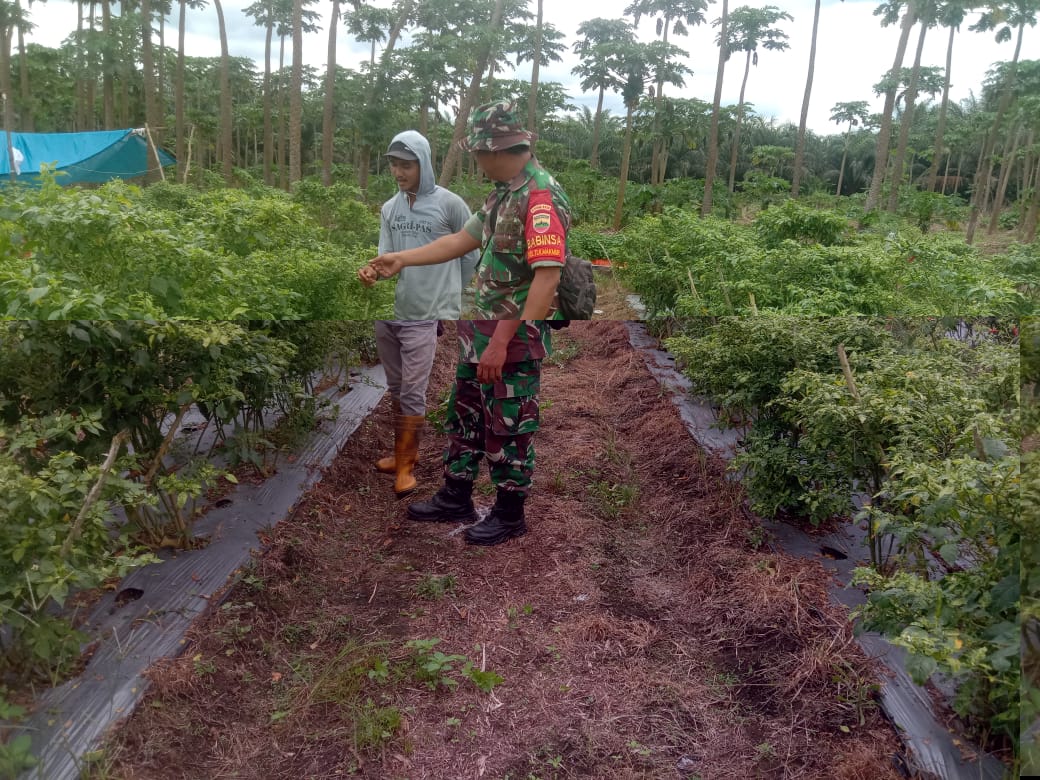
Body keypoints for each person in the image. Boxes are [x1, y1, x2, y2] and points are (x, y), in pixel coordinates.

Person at [368, 100, 572, 545]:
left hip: (509, 342)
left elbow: (545, 281)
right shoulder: (504, 191)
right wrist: (400, 257)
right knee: (465, 417)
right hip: (477, 336)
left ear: (499, 150)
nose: (478, 164)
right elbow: (462, 239)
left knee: (508, 425)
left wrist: (500, 342)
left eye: (480, 155)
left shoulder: (539, 199)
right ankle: (456, 495)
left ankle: (509, 512)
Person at [358, 130, 478, 497]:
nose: (398, 172)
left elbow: (471, 253)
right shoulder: (389, 209)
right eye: (394, 164)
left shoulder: (450, 204)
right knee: (396, 387)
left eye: (406, 164)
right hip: (398, 310)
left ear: (423, 163)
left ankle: (407, 465)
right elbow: (386, 258)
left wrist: (449, 298)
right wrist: (370, 273)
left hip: (428, 312)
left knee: (413, 390)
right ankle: (400, 454)